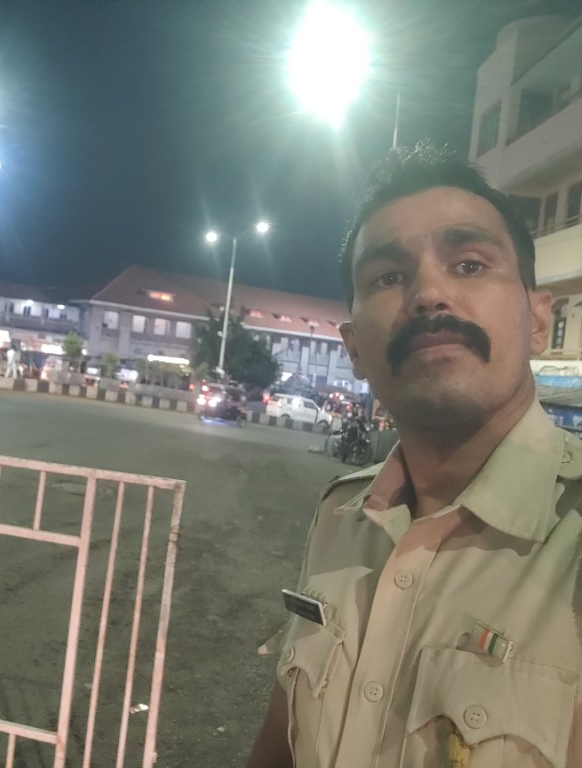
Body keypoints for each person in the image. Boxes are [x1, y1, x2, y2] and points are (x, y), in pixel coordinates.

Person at [247, 142, 582, 768]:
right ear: (353, 347)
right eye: (388, 277)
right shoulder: (342, 516)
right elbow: (286, 722)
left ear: (539, 321)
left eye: (470, 264)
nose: (429, 294)